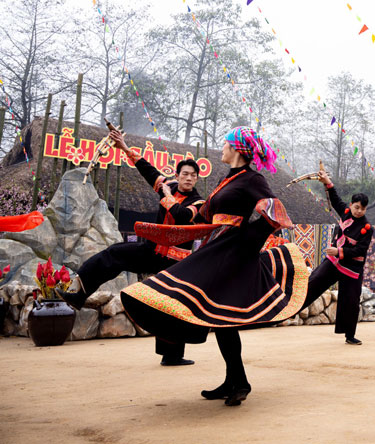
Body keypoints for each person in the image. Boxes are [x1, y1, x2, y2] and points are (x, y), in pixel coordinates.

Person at [120, 127, 309, 406]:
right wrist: (169, 205)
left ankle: (238, 382)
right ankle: (236, 381)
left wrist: (248, 239)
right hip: (217, 248)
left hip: (233, 254)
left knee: (221, 316)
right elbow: (202, 215)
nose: (222, 147)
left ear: (236, 149)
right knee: (222, 319)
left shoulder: (253, 179)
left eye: (226, 143)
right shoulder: (226, 179)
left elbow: (276, 213)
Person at [60, 130, 205, 366]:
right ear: (177, 175)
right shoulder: (168, 185)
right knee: (115, 253)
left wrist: (167, 195)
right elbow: (147, 169)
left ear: (196, 179)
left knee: (170, 304)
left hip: (175, 261)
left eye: (193, 176)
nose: (189, 178)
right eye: (185, 174)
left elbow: (180, 216)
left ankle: (172, 356)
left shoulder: (198, 202)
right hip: (152, 251)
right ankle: (79, 294)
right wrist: (124, 147)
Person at [301, 170, 372, 345]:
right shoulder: (345, 212)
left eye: (363, 209)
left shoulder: (367, 228)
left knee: (351, 301)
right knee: (313, 282)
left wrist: (339, 251)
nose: (359, 211)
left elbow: (360, 251)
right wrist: (327, 182)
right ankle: (290, 308)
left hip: (352, 269)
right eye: (357, 207)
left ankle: (350, 335)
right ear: (351, 205)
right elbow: (334, 198)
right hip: (334, 262)